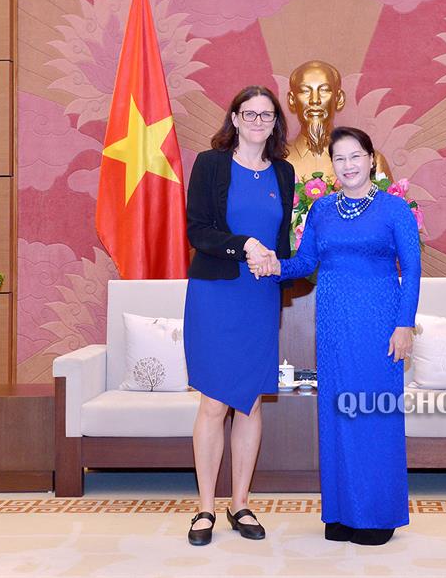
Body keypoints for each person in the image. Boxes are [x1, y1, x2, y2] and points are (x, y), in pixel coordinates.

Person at [250, 126, 421, 546]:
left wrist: (405, 325)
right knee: (336, 415)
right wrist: (274, 265)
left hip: (379, 324)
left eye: (355, 156)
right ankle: (342, 512)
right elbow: (306, 262)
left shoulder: (394, 210)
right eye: (340, 159)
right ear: (333, 166)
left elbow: (413, 270)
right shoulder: (322, 210)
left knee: (373, 415)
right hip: (332, 326)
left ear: (371, 159)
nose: (348, 165)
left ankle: (377, 515)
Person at [183, 86, 295, 546]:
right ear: (234, 118)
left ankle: (240, 502)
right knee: (214, 402)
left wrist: (280, 265)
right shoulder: (210, 164)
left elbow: (282, 239)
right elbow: (198, 231)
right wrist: (244, 245)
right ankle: (205, 507)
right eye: (249, 113)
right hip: (216, 294)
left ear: (275, 123)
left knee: (250, 402)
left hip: (260, 297)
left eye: (266, 115)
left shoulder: (284, 172)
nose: (257, 121)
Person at [286, 60, 391, 182]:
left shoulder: (371, 162)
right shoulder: (275, 161)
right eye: (305, 91)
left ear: (339, 99)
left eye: (324, 90)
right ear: (292, 100)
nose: (315, 100)